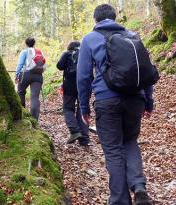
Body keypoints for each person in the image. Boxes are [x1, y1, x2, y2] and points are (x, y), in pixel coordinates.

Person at [77, 4, 154, 205]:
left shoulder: (89, 39)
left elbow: (83, 77)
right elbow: (145, 69)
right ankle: (138, 186)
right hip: (135, 99)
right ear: (115, 16)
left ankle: (120, 200)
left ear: (96, 20)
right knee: (130, 141)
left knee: (113, 150)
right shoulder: (132, 35)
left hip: (106, 100)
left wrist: (83, 107)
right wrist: (148, 100)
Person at [56, 41, 90, 146]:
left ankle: (75, 131)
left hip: (70, 85)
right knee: (82, 109)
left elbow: (59, 66)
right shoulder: (86, 52)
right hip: (84, 84)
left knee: (68, 108)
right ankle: (84, 139)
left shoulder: (67, 54)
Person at [15, 37, 46, 121]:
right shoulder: (39, 52)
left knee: (21, 92)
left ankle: (23, 115)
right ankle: (34, 119)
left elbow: (20, 64)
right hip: (38, 75)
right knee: (35, 97)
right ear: (34, 43)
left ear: (26, 43)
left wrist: (16, 75)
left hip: (25, 74)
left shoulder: (24, 52)